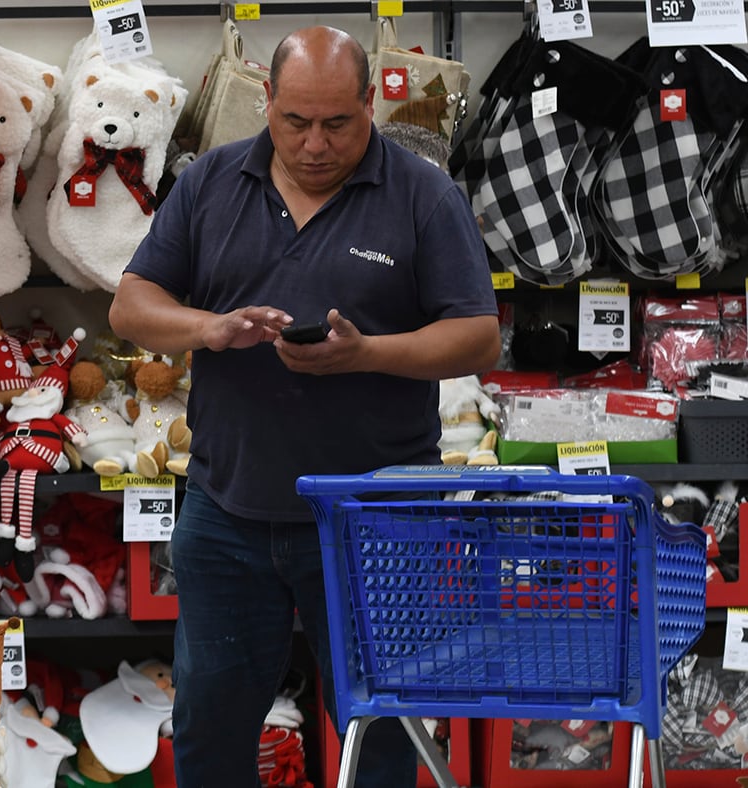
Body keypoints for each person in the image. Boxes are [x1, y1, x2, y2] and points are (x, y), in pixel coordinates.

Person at [108, 25, 500, 788]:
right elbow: (131, 305)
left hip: (375, 524)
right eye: (295, 122)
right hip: (227, 514)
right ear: (268, 103)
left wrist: (368, 353)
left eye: (337, 123)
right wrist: (208, 329)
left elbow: (478, 337)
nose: (315, 144)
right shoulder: (212, 181)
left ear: (369, 105)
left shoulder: (424, 194)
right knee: (210, 728)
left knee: (384, 735)